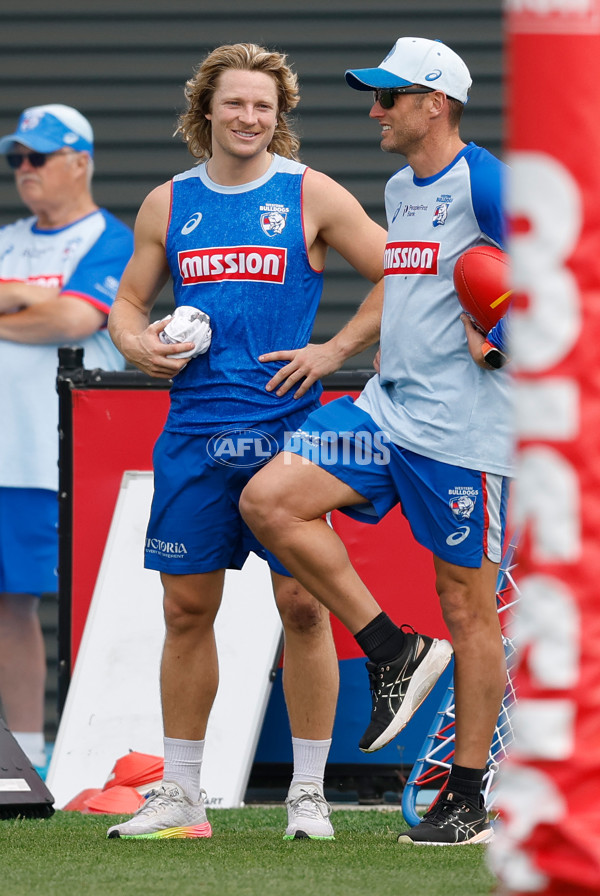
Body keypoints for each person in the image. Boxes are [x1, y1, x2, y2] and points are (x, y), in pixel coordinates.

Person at [106, 42, 387, 841]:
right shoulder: (169, 202)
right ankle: (183, 796)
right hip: (193, 431)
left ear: (280, 116)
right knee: (186, 609)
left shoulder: (312, 193)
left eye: (264, 106)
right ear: (206, 110)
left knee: (303, 606)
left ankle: (307, 795)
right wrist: (134, 343)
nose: (250, 118)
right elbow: (127, 300)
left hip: (287, 429)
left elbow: (398, 273)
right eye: (235, 103)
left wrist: (334, 351)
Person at [240, 36, 513, 845]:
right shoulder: (401, 186)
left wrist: (504, 341)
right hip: (383, 417)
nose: (375, 111)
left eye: (388, 98)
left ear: (435, 103)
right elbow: (403, 283)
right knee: (271, 501)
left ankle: (466, 800)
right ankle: (392, 650)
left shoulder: (487, 180)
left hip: (463, 437)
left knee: (469, 610)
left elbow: (566, 272)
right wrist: (340, 350)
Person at [0, 104, 133, 771]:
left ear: (80, 161)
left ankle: (98, 753)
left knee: (93, 601)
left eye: (39, 157)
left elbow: (76, 318)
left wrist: (27, 303)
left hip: (69, 455)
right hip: (5, 454)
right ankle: (24, 757)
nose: (25, 170)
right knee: (8, 607)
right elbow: (49, 314)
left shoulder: (110, 238)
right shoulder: (7, 237)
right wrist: (26, 298)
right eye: (16, 158)